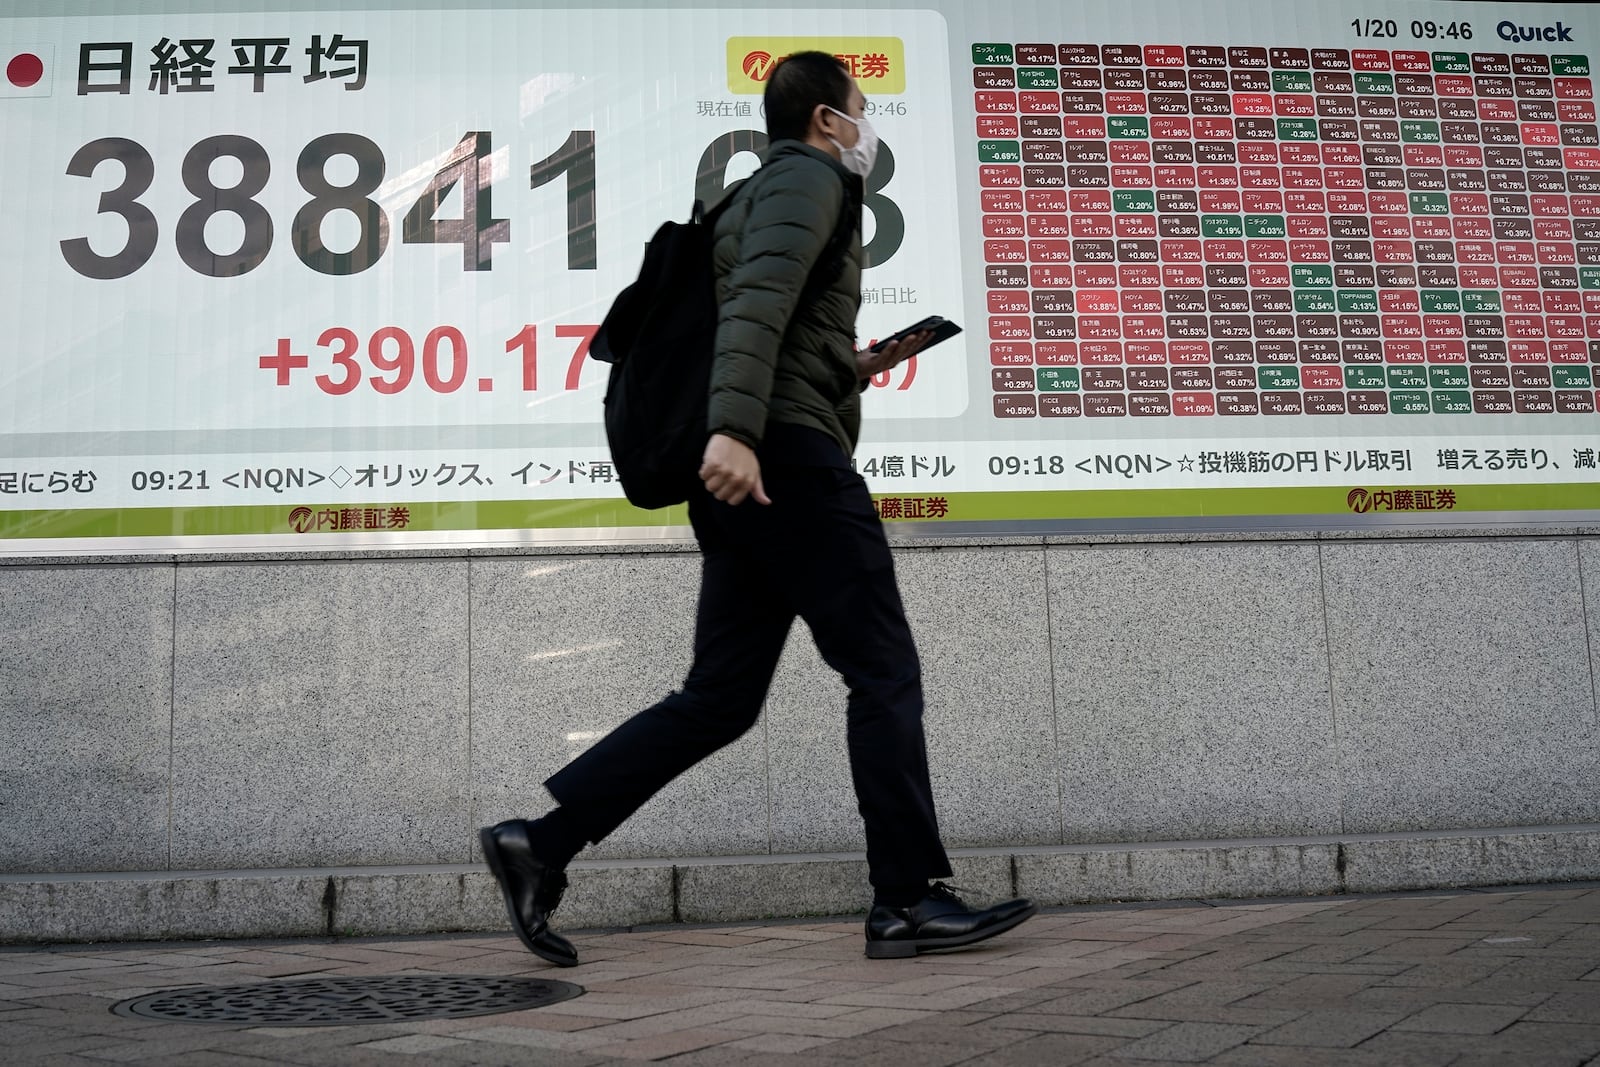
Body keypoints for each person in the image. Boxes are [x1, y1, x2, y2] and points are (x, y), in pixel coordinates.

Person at [480, 51, 1036, 965]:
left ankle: (540, 843)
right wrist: (735, 430)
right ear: (826, 119)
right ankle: (906, 898)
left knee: (719, 699)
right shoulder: (806, 179)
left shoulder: (752, 195)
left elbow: (772, 314)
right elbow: (755, 308)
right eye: (863, 108)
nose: (868, 124)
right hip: (780, 460)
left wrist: (843, 367)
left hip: (751, 462)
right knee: (882, 667)